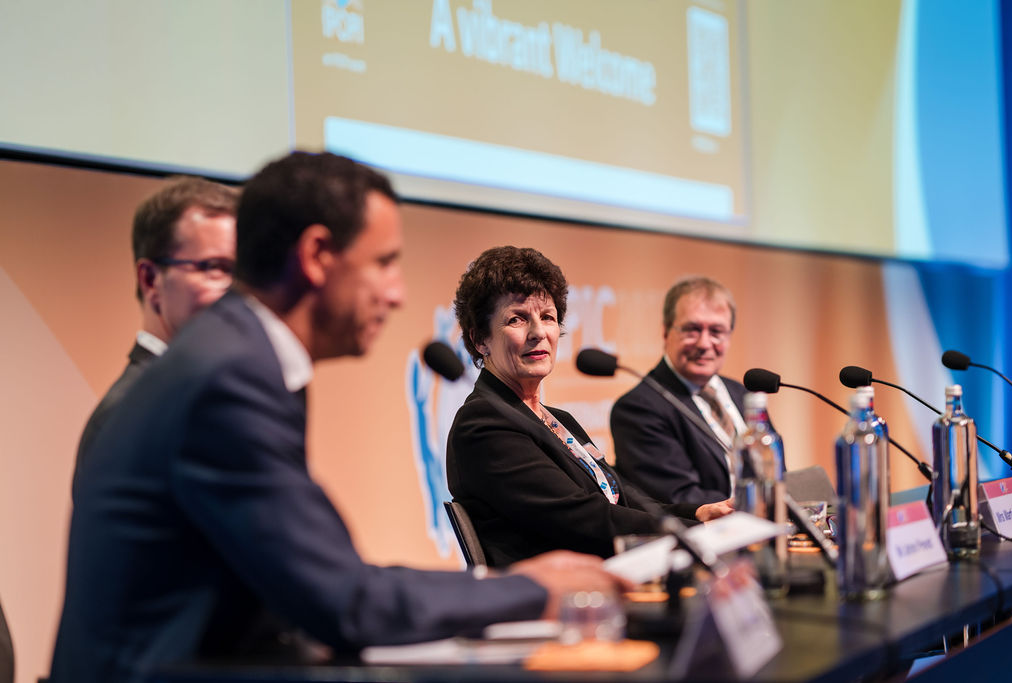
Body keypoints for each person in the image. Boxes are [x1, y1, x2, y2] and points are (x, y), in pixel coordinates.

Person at [50, 153, 626, 683]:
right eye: (384, 263)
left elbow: (316, 584)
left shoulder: (234, 355)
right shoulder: (228, 378)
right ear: (316, 256)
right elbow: (345, 599)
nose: (397, 294)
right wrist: (529, 590)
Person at [446, 247, 733, 568]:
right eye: (517, 319)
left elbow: (621, 496)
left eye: (548, 317)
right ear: (480, 339)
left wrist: (695, 513)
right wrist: (695, 534)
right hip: (559, 599)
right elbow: (581, 518)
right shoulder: (484, 423)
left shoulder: (557, 419)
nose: (538, 332)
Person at [73, 177, 237, 487]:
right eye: (215, 267)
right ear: (150, 280)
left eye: (240, 273)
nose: (236, 292)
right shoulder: (128, 414)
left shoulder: (211, 394)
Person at [611, 276, 783, 505]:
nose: (704, 344)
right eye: (691, 330)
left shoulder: (742, 394)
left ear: (729, 336)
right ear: (666, 333)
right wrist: (755, 508)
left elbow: (776, 472)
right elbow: (681, 498)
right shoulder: (638, 408)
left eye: (716, 331)